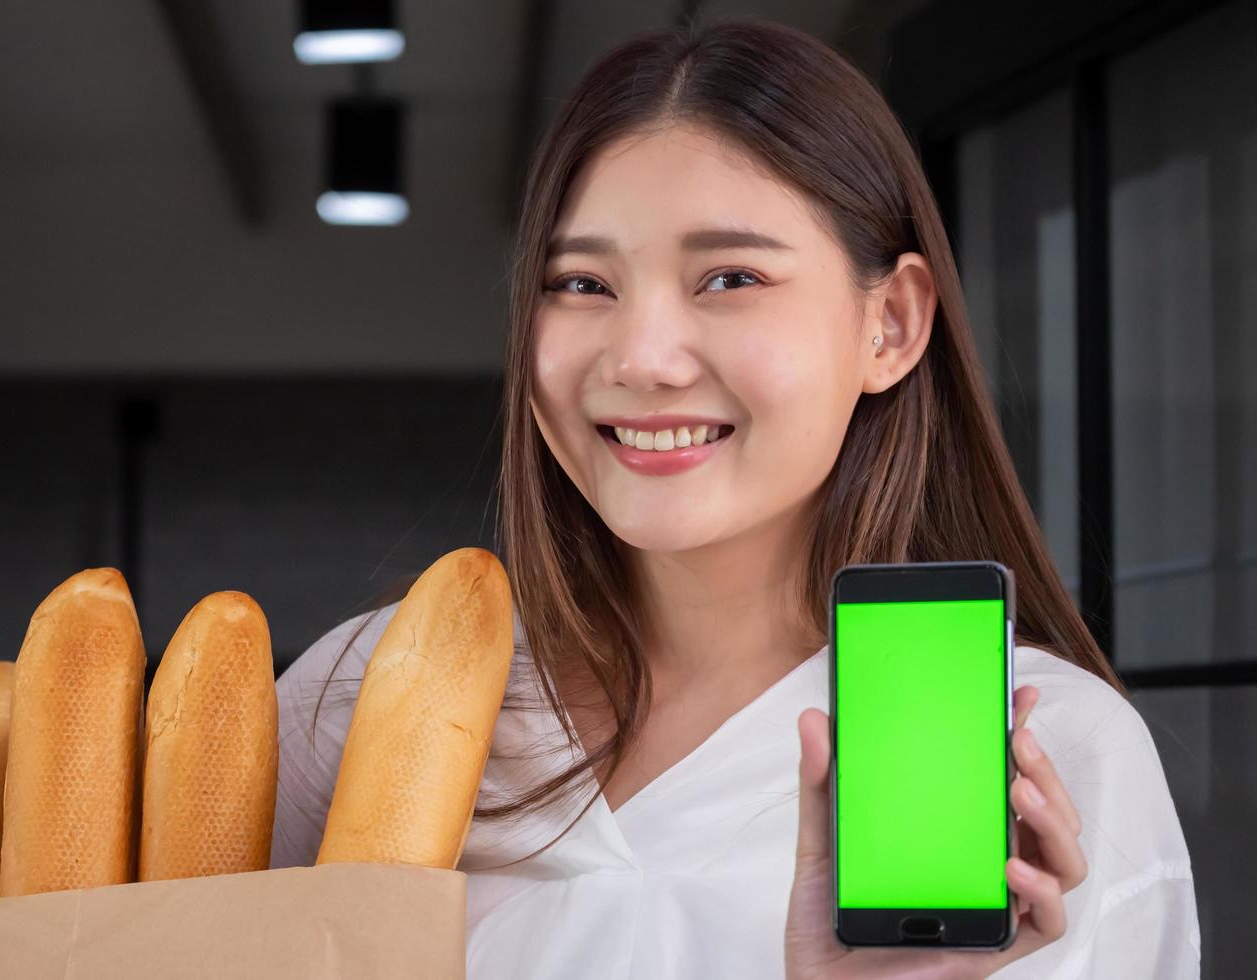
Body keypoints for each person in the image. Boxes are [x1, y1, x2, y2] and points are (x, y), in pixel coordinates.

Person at [271, 17, 1200, 979]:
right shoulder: (355, 699)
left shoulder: (1053, 767)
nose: (641, 359)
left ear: (890, 323)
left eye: (729, 277)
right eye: (582, 282)